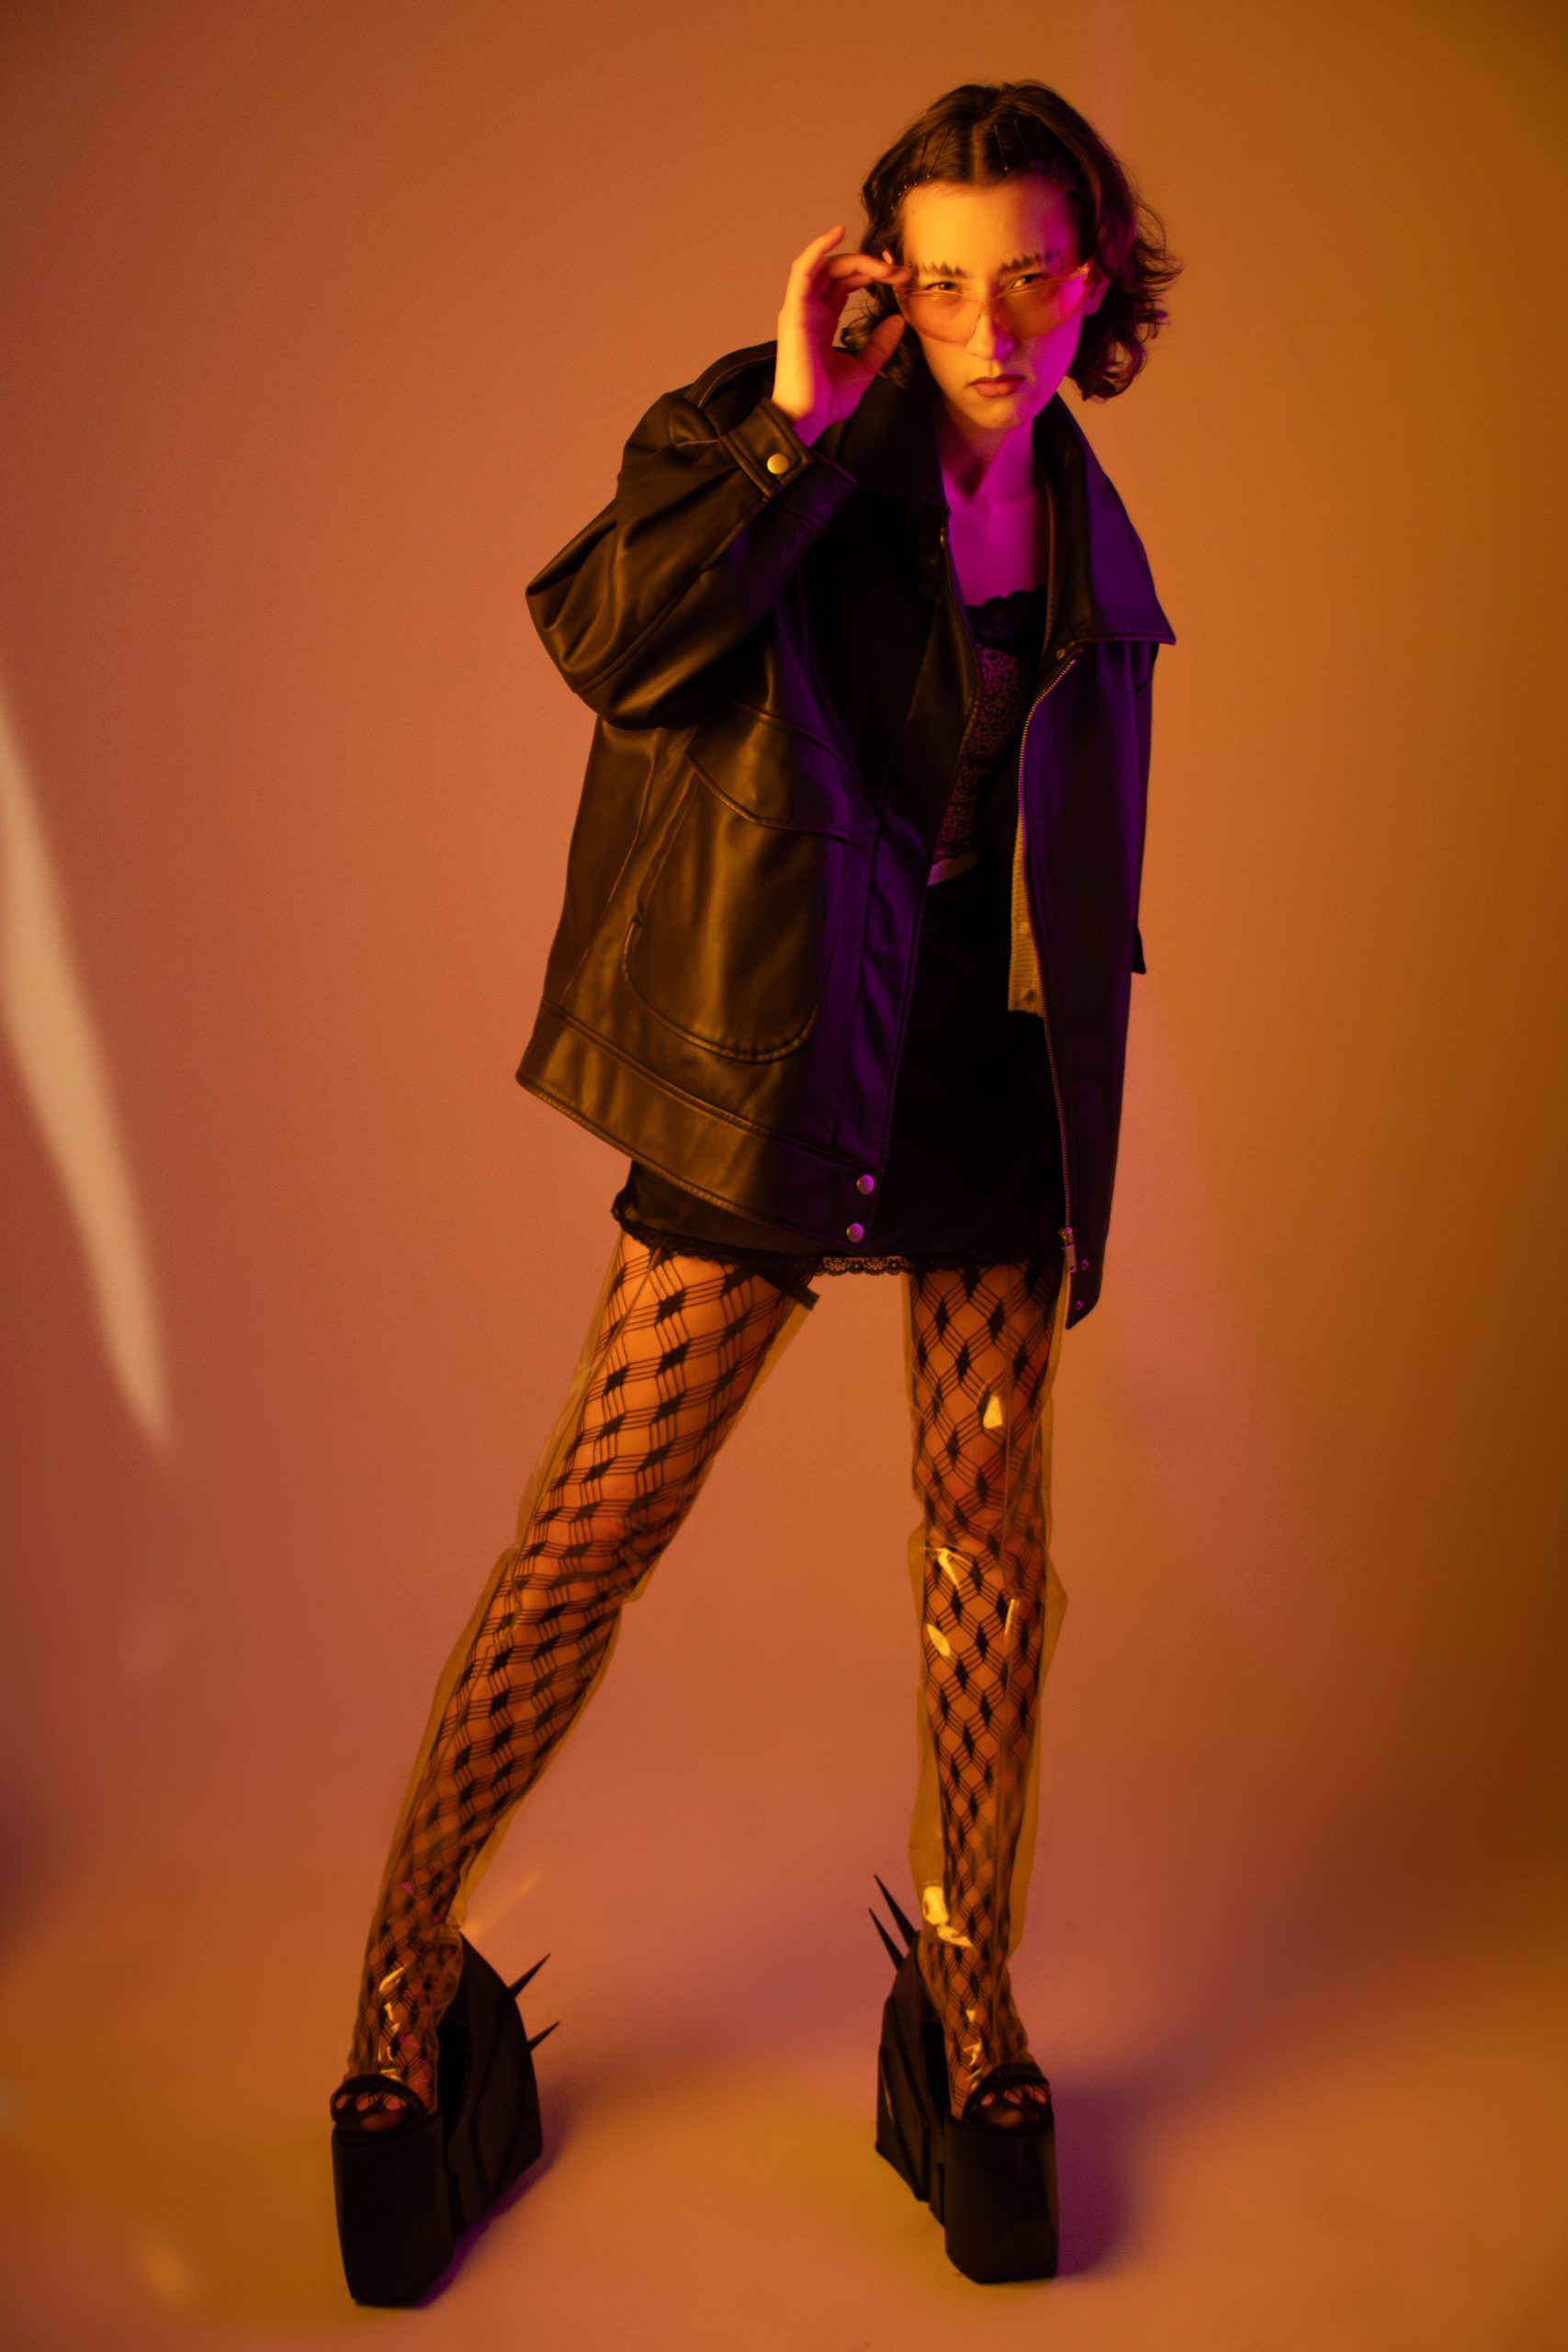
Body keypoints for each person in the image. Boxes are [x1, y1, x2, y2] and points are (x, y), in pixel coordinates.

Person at [327, 77, 1179, 2300]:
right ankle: (399, 1993)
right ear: (881, 274)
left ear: (1089, 274)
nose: (989, 325)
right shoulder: (763, 440)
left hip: (983, 1086)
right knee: (592, 1530)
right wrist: (792, 423)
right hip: (771, 1063)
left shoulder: (1094, 545)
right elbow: (609, 643)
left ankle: (967, 1990)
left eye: (1031, 277)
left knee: (989, 1545)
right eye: (947, 281)